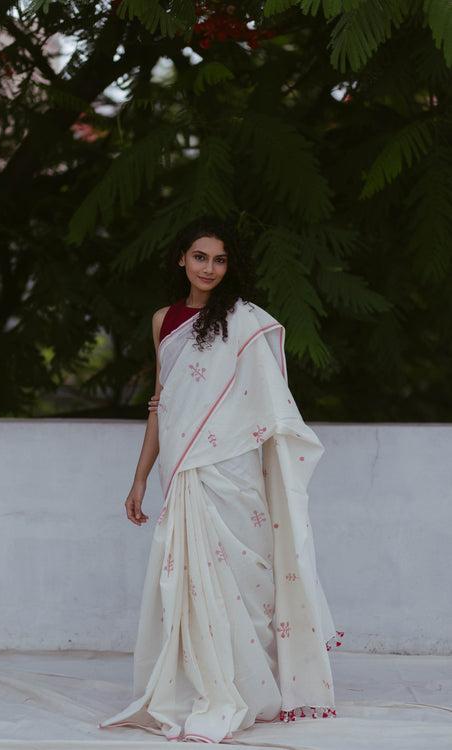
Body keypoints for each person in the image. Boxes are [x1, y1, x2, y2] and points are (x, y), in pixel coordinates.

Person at [98, 216, 343, 743]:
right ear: (181, 259)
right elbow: (162, 406)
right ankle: (195, 683)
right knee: (186, 581)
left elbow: (267, 402)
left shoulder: (244, 320)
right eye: (200, 256)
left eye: (220, 259)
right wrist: (138, 479)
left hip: (232, 470)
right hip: (183, 468)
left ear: (231, 266)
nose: (209, 267)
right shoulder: (164, 319)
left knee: (245, 580)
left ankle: (252, 689)